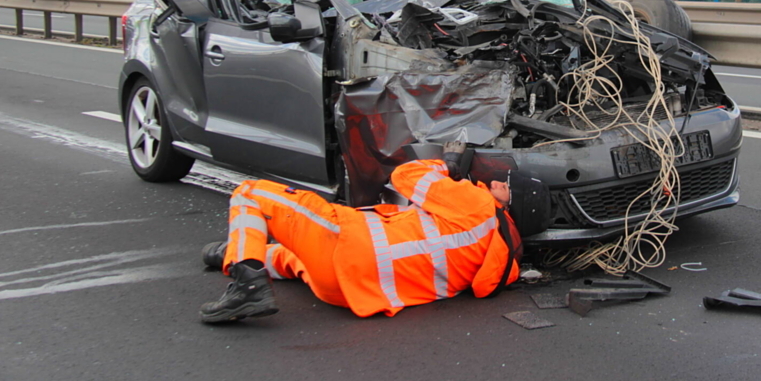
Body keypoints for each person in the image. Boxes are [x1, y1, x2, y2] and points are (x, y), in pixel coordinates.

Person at [198, 143, 543, 324]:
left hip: (348, 242)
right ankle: (242, 253)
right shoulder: (503, 262)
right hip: (349, 291)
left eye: (505, 187)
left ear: (511, 206)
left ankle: (247, 282)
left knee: (250, 193)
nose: (495, 182)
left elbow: (405, 176)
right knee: (296, 257)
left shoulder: (478, 205)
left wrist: (448, 165)